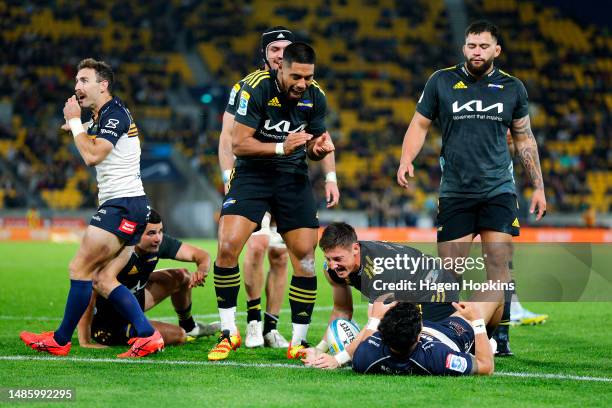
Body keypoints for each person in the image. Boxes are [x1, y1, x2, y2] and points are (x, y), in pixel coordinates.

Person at [397, 20, 546, 326]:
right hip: (455, 191)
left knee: (498, 267)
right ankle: (448, 333)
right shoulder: (441, 81)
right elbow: (419, 124)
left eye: (483, 46)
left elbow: (524, 138)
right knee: (450, 271)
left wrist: (539, 187)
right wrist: (405, 159)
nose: (476, 52)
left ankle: (498, 337)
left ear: (497, 50)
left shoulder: (513, 88)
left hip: (498, 190)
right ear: (464, 47)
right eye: (471, 46)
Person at [20, 58, 163, 358]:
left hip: (122, 206)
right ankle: (148, 335)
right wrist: (81, 124)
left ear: (103, 85)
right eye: (76, 82)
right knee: (102, 278)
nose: (77, 87)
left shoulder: (114, 114)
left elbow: (93, 156)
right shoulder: (103, 116)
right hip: (130, 205)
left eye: (84, 81)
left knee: (79, 268)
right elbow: (96, 135)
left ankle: (60, 339)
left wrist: (74, 122)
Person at [208, 42, 335, 361]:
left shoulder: (315, 96)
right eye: (296, 76)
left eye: (308, 77)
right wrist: (282, 147)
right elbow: (239, 144)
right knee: (227, 247)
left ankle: (299, 341)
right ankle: (229, 333)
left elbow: (314, 142)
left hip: (292, 178)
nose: (302, 84)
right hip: (253, 176)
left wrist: (316, 151)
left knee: (305, 258)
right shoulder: (256, 89)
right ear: (280, 68)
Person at [77, 209, 219, 347]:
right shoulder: (119, 252)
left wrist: (202, 270)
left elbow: (201, 255)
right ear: (136, 234)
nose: (158, 238)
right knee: (178, 335)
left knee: (182, 276)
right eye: (151, 233)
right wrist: (84, 339)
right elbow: (89, 288)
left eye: (160, 231)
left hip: (134, 300)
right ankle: (136, 330)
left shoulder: (157, 243)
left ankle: (189, 326)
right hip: (109, 323)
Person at [313, 222, 461, 354]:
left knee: (416, 348)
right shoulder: (332, 270)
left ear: (355, 248)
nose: (333, 265)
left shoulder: (379, 269)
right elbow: (342, 311)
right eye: (328, 258)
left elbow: (375, 322)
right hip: (409, 292)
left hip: (436, 290)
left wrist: (339, 359)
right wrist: (319, 350)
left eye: (338, 259)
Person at [304, 299, 501, 375]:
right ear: (418, 337)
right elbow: (486, 366)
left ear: (384, 334)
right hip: (451, 333)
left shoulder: (367, 356)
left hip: (423, 331)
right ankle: (487, 341)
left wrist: (324, 354)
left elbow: (361, 342)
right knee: (497, 293)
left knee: (374, 307)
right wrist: (477, 323)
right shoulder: (440, 357)